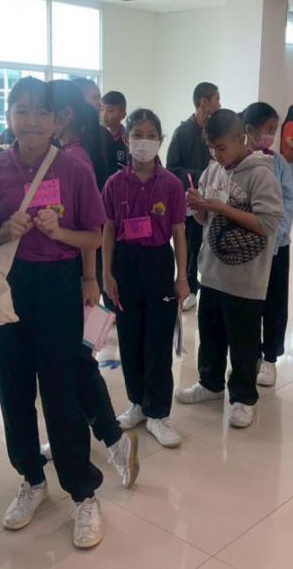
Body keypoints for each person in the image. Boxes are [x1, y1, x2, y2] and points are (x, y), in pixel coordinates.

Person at [0, 77, 134, 551]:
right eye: (20, 110)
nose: (31, 121)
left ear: (57, 118)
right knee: (14, 391)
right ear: (8, 115)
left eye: (40, 111)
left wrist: (62, 237)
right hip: (8, 287)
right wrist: (5, 231)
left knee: (61, 391)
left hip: (58, 286)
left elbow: (94, 235)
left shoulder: (74, 168)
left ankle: (83, 492)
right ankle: (32, 479)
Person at [47, 78, 138, 477]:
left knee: (77, 360)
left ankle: (112, 438)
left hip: (75, 272)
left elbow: (90, 225)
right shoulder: (82, 148)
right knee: (73, 359)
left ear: (63, 115)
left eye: (43, 110)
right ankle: (83, 433)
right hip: (81, 271)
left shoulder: (77, 157)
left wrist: (91, 276)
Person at [176, 109, 283, 428]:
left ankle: (243, 397)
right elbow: (204, 220)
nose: (216, 155)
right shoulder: (213, 171)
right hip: (212, 272)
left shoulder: (261, 175)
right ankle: (210, 384)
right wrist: (198, 206)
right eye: (211, 148)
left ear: (242, 138)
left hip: (246, 277)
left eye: (221, 148)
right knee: (210, 334)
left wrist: (221, 207)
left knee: (243, 341)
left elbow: (268, 223)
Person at [102, 109, 189, 448]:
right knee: (129, 336)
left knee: (157, 339)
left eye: (151, 135)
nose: (144, 141)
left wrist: (183, 278)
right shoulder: (114, 184)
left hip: (158, 263)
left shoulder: (171, 185)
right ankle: (137, 403)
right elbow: (108, 230)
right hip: (124, 263)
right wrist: (106, 272)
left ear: (160, 141)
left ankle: (158, 412)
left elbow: (179, 233)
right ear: (126, 139)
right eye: (138, 134)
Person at [242, 102, 293, 387]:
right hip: (245, 247)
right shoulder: (237, 159)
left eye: (274, 130)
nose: (270, 136)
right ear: (249, 129)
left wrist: (273, 235)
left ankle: (271, 358)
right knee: (248, 304)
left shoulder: (278, 163)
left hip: (276, 245)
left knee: (274, 303)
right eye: (268, 129)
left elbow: (287, 202)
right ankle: (248, 357)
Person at [165, 82, 221, 310]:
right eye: (217, 99)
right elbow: (172, 168)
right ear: (204, 102)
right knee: (188, 244)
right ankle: (186, 288)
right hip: (188, 202)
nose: (219, 104)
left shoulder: (213, 131)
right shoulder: (183, 132)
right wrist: (201, 176)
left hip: (210, 201)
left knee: (203, 244)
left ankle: (197, 286)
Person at [101, 90, 129, 172]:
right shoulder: (98, 137)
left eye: (110, 111)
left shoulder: (127, 139)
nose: (104, 115)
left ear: (123, 115)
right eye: (101, 110)